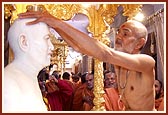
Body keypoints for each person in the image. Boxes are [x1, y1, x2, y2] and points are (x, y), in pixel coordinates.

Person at [18, 11, 156, 111]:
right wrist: (55, 27)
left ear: (139, 43)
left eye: (125, 33)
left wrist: (56, 21)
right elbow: (79, 47)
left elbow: (105, 54)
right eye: (118, 32)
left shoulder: (146, 62)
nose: (119, 36)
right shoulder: (119, 63)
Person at [4, 18, 54, 112]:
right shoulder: (8, 83)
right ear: (24, 42)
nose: (52, 46)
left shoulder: (29, 76)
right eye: (46, 39)